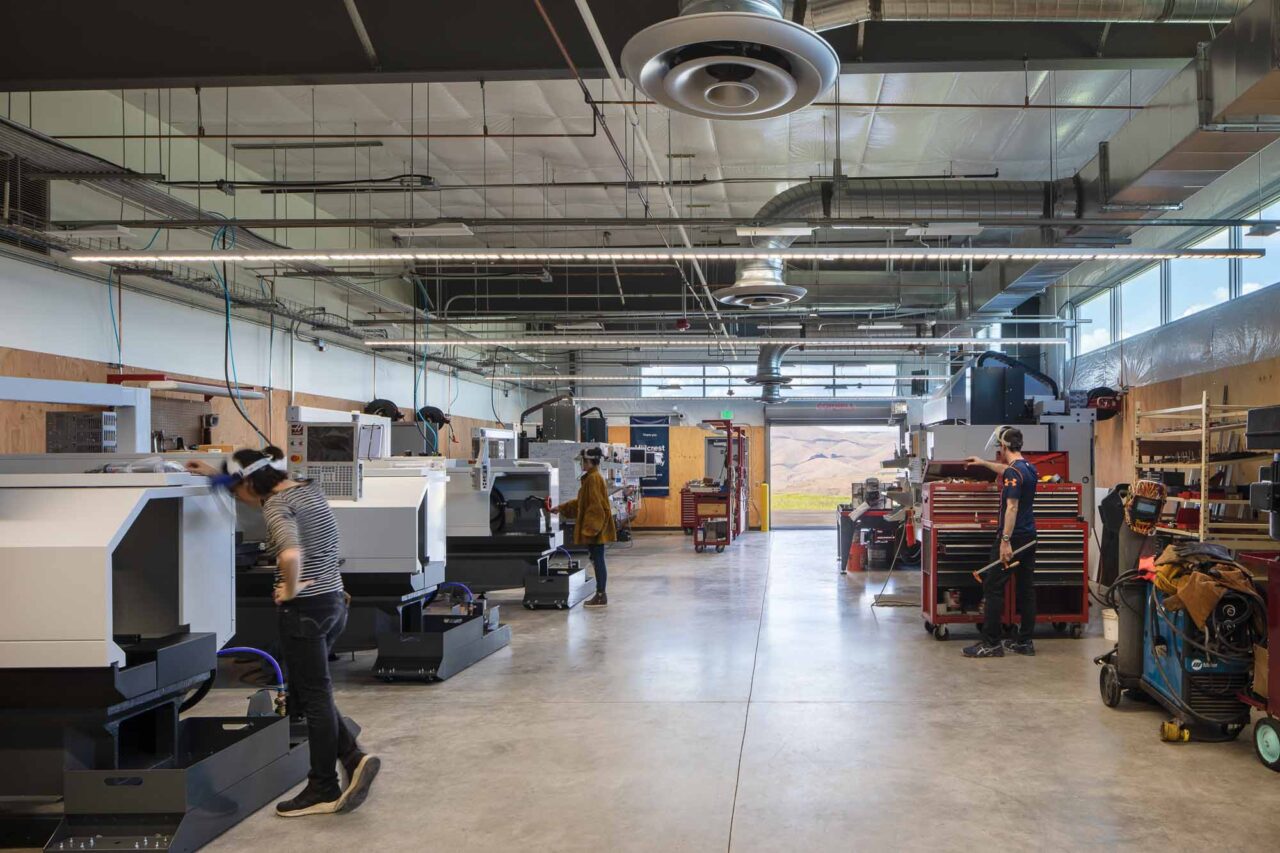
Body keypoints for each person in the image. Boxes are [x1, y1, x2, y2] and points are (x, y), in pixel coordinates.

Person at [186, 447, 380, 817]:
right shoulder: (307, 489)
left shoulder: (277, 506)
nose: (241, 499)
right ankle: (353, 758)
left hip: (304, 611)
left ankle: (323, 787)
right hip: (334, 602)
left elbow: (290, 554)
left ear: (249, 482)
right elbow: (256, 494)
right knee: (310, 691)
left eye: (237, 488)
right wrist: (217, 474)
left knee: (314, 698)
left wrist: (290, 590)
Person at [961, 426, 1039, 659]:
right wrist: (983, 463)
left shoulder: (1014, 473)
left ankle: (991, 643)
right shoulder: (1028, 468)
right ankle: (1025, 641)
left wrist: (1005, 540)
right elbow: (1006, 470)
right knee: (1026, 589)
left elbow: (1012, 507)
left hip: (1013, 538)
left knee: (993, 587)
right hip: (1029, 537)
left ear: (1004, 446)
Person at [550, 446, 617, 607]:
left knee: (598, 560)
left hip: (595, 529)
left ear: (590, 462)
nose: (581, 464)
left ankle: (601, 595)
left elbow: (595, 507)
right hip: (596, 528)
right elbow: (582, 503)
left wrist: (590, 530)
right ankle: (600, 594)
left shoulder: (593, 479)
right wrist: (561, 508)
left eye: (583, 461)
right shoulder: (591, 478)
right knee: (596, 559)